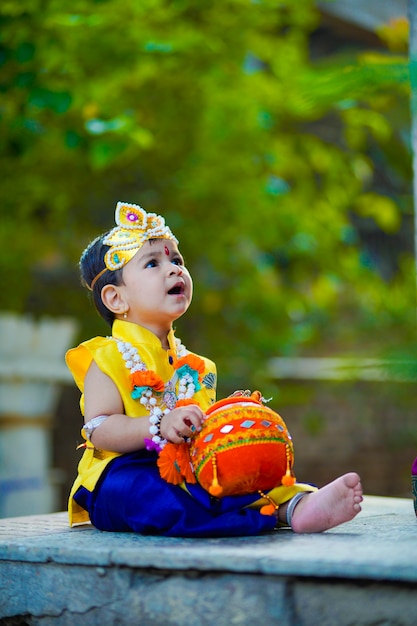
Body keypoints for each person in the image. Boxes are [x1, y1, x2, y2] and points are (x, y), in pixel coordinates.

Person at [67, 201, 363, 537]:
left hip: (188, 466)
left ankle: (297, 505)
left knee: (238, 460)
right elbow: (99, 429)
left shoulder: (197, 366)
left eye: (176, 260)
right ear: (116, 299)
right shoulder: (105, 355)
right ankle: (270, 517)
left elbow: (204, 440)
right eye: (153, 263)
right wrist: (160, 424)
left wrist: (233, 422)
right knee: (151, 494)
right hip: (120, 473)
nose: (175, 269)